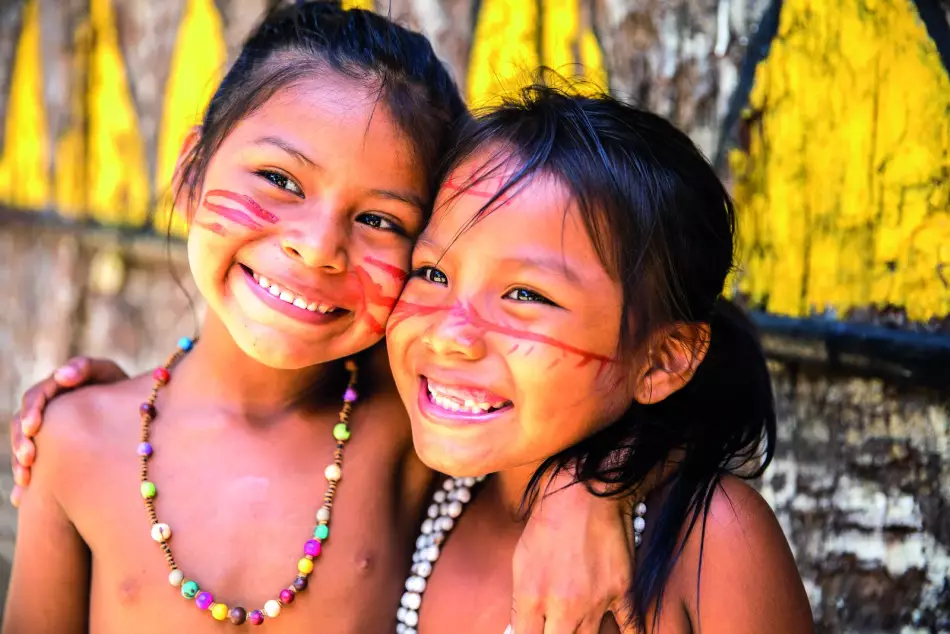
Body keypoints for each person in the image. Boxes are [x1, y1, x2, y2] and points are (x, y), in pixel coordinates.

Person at [2, 5, 633, 633]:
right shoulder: (75, 440)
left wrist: (589, 491)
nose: (319, 246)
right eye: (279, 178)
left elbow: (675, 379)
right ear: (192, 171)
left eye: (381, 221)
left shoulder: (417, 422)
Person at [383, 85, 816, 633]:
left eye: (526, 295)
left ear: (661, 362)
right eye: (433, 273)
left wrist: (596, 483)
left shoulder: (712, 541)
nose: (448, 335)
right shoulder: (408, 489)